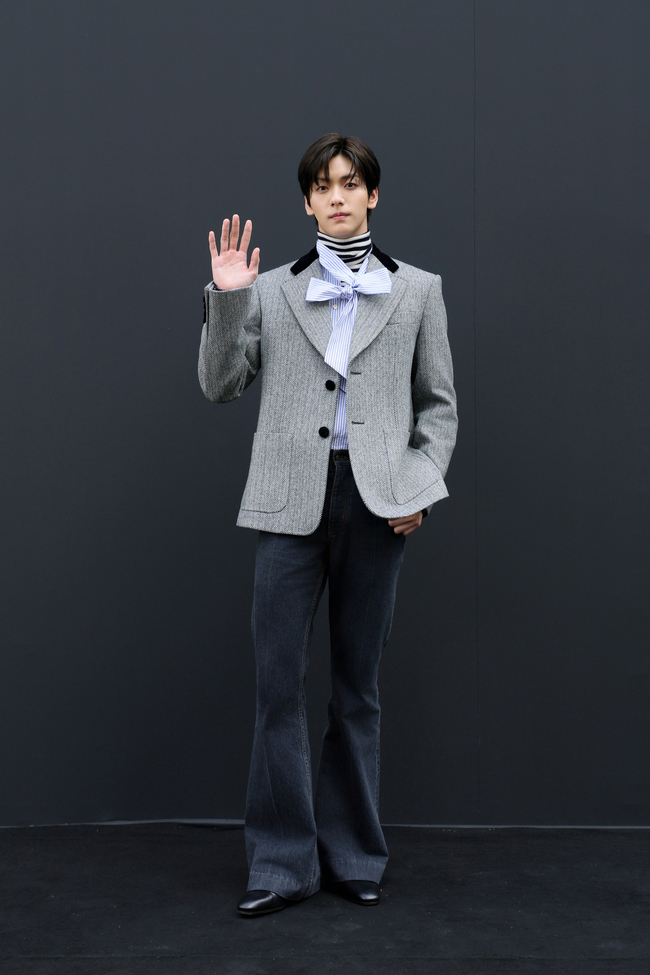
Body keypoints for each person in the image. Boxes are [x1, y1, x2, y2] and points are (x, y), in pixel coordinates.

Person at [198, 133, 458, 916]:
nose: (337, 196)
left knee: (357, 689)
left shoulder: (419, 290)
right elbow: (220, 385)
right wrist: (229, 298)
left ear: (372, 194)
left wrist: (418, 486)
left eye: (350, 183)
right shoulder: (273, 289)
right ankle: (282, 863)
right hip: (288, 499)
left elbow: (438, 408)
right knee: (278, 687)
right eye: (322, 185)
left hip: (377, 502)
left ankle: (352, 854)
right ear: (308, 202)